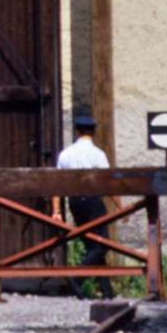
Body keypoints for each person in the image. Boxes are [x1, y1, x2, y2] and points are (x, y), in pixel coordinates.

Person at [57, 113, 115, 300]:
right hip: (93, 202)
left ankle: (107, 292)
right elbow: (109, 183)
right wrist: (120, 207)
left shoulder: (65, 154)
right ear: (94, 132)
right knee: (102, 243)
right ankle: (77, 277)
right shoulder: (98, 154)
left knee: (93, 244)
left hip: (74, 203)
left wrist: (57, 210)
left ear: (77, 131)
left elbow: (55, 184)